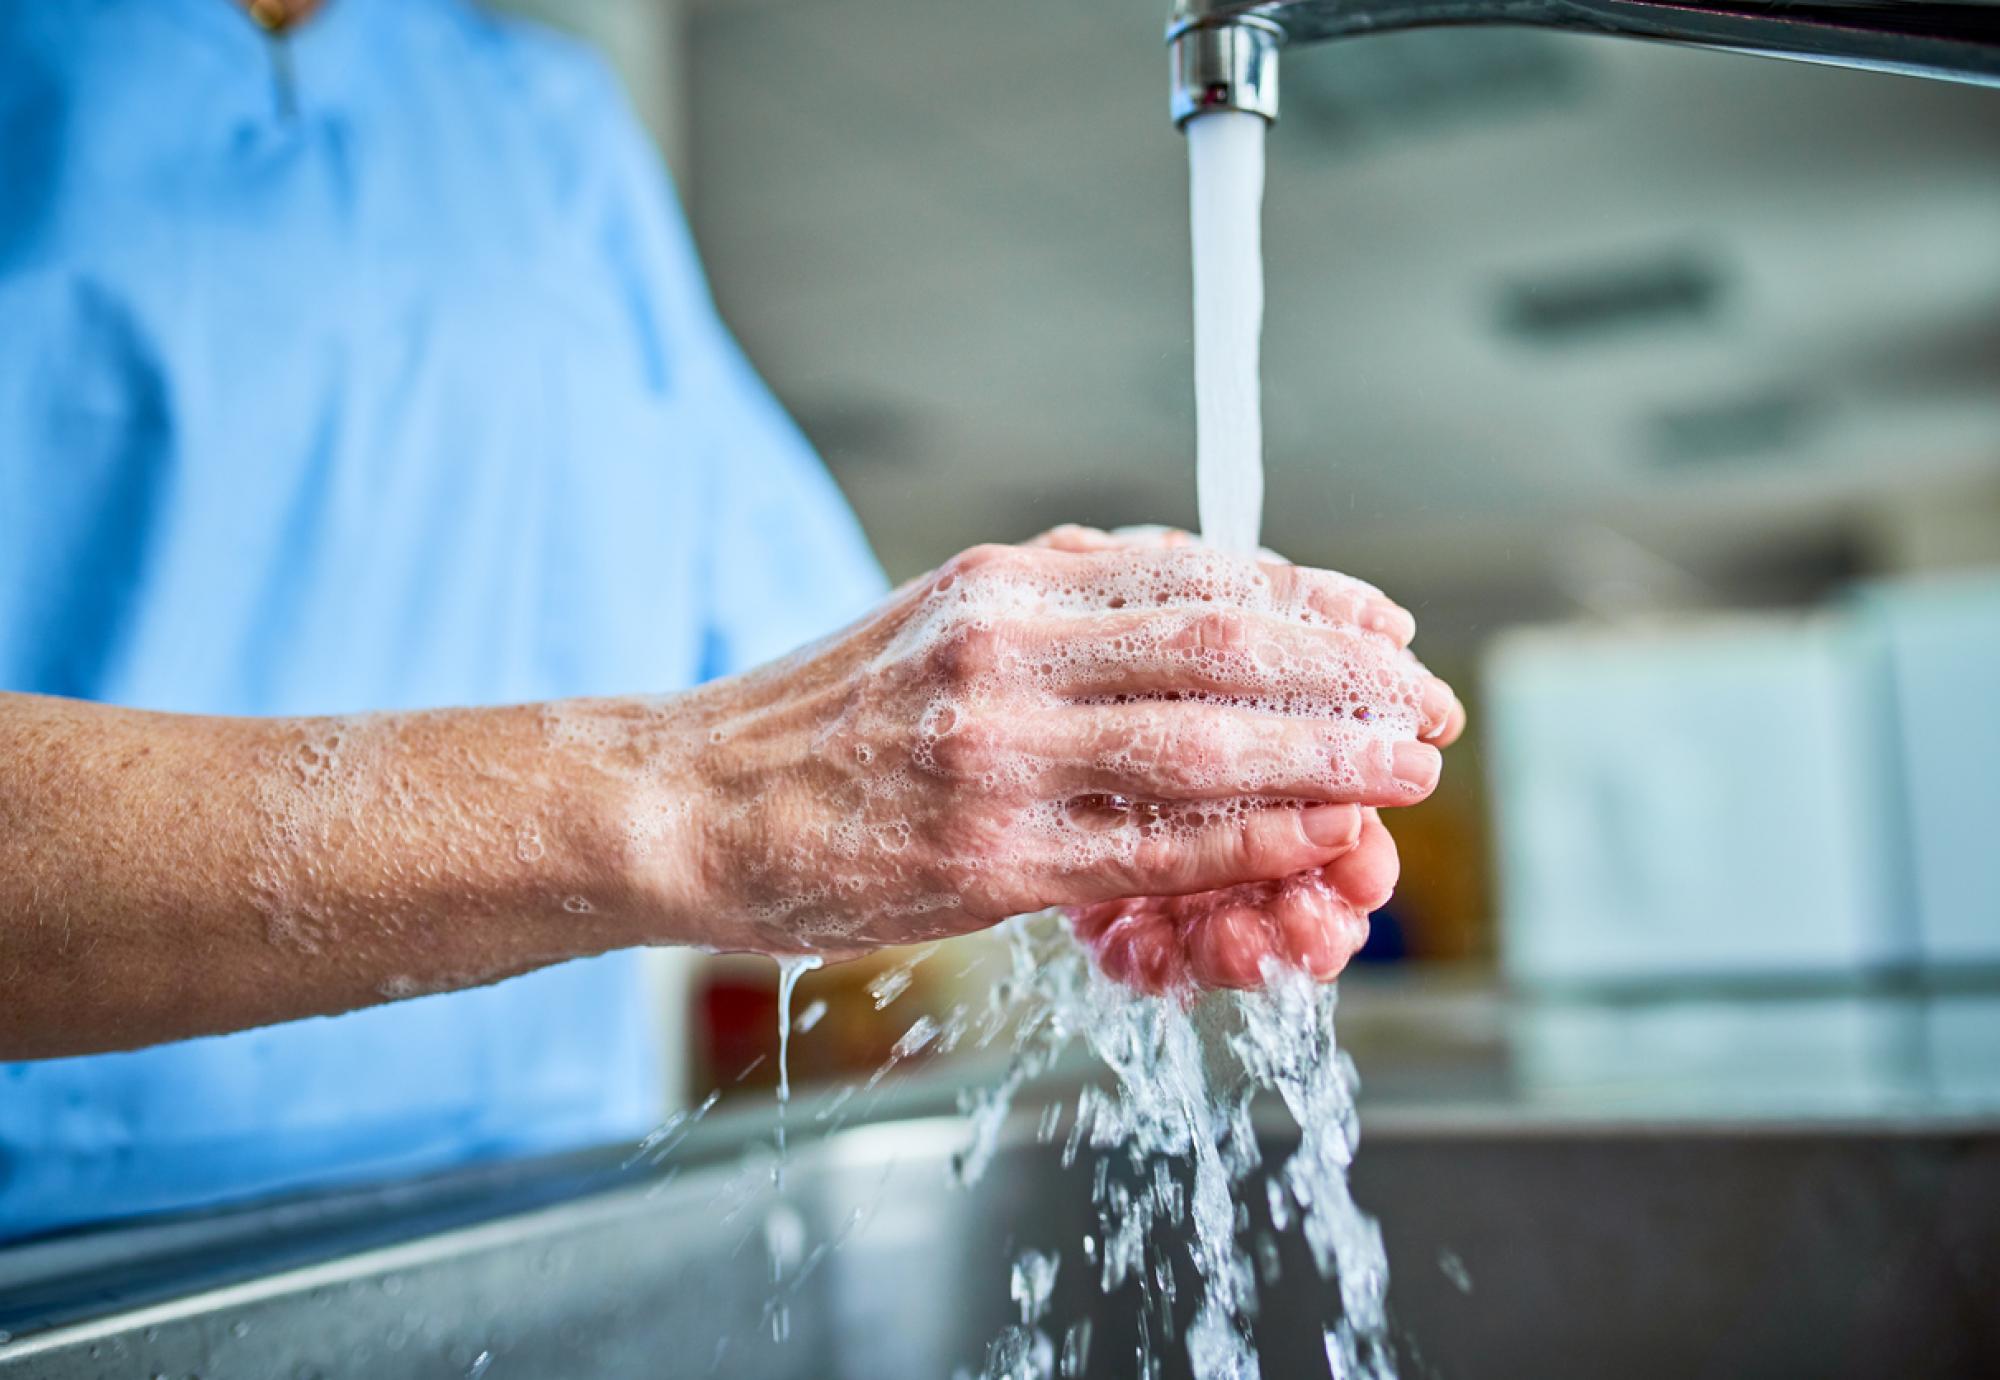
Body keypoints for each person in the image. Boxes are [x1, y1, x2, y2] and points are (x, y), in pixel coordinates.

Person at [0, 0, 1463, 1242]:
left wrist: (1088, 713)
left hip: (537, 1229)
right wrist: (695, 800)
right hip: (58, 1256)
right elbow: (752, 762)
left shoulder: (546, 127)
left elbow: (820, 672)